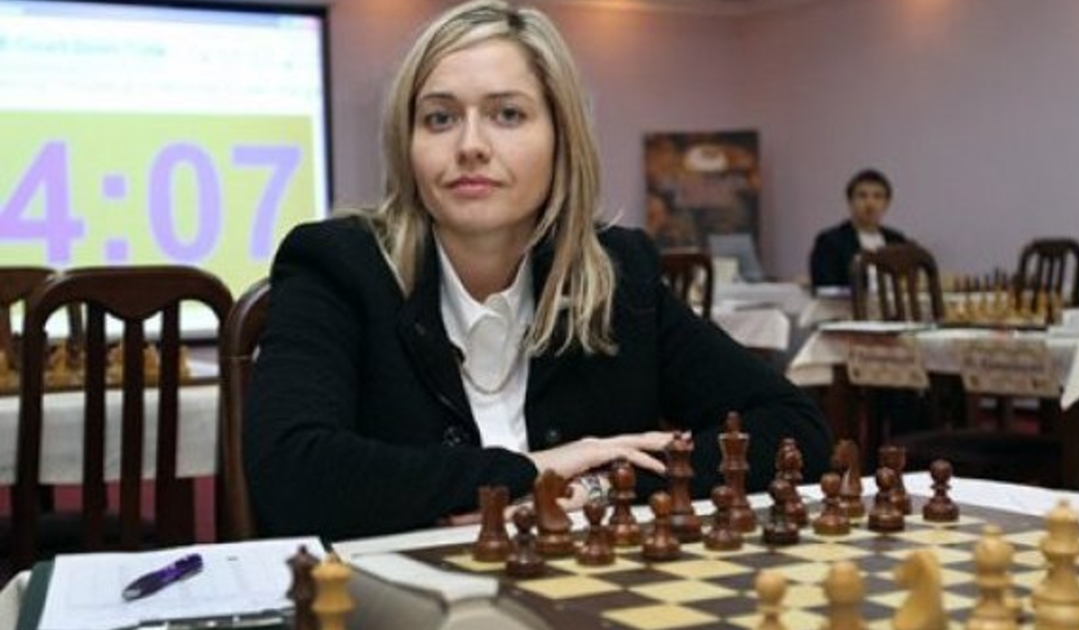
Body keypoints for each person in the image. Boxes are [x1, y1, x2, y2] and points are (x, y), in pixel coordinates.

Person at [243, 0, 832, 541]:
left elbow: (794, 430)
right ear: (408, 145)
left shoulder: (617, 274)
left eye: (507, 114)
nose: (470, 145)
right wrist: (530, 472)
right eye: (440, 118)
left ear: (560, 138)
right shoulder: (338, 265)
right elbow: (291, 474)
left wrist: (597, 486)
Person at [809, 169, 908, 290]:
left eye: (877, 196)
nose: (870, 203)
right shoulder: (830, 242)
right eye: (862, 196)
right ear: (850, 202)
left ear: (887, 203)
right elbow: (826, 288)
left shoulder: (897, 240)